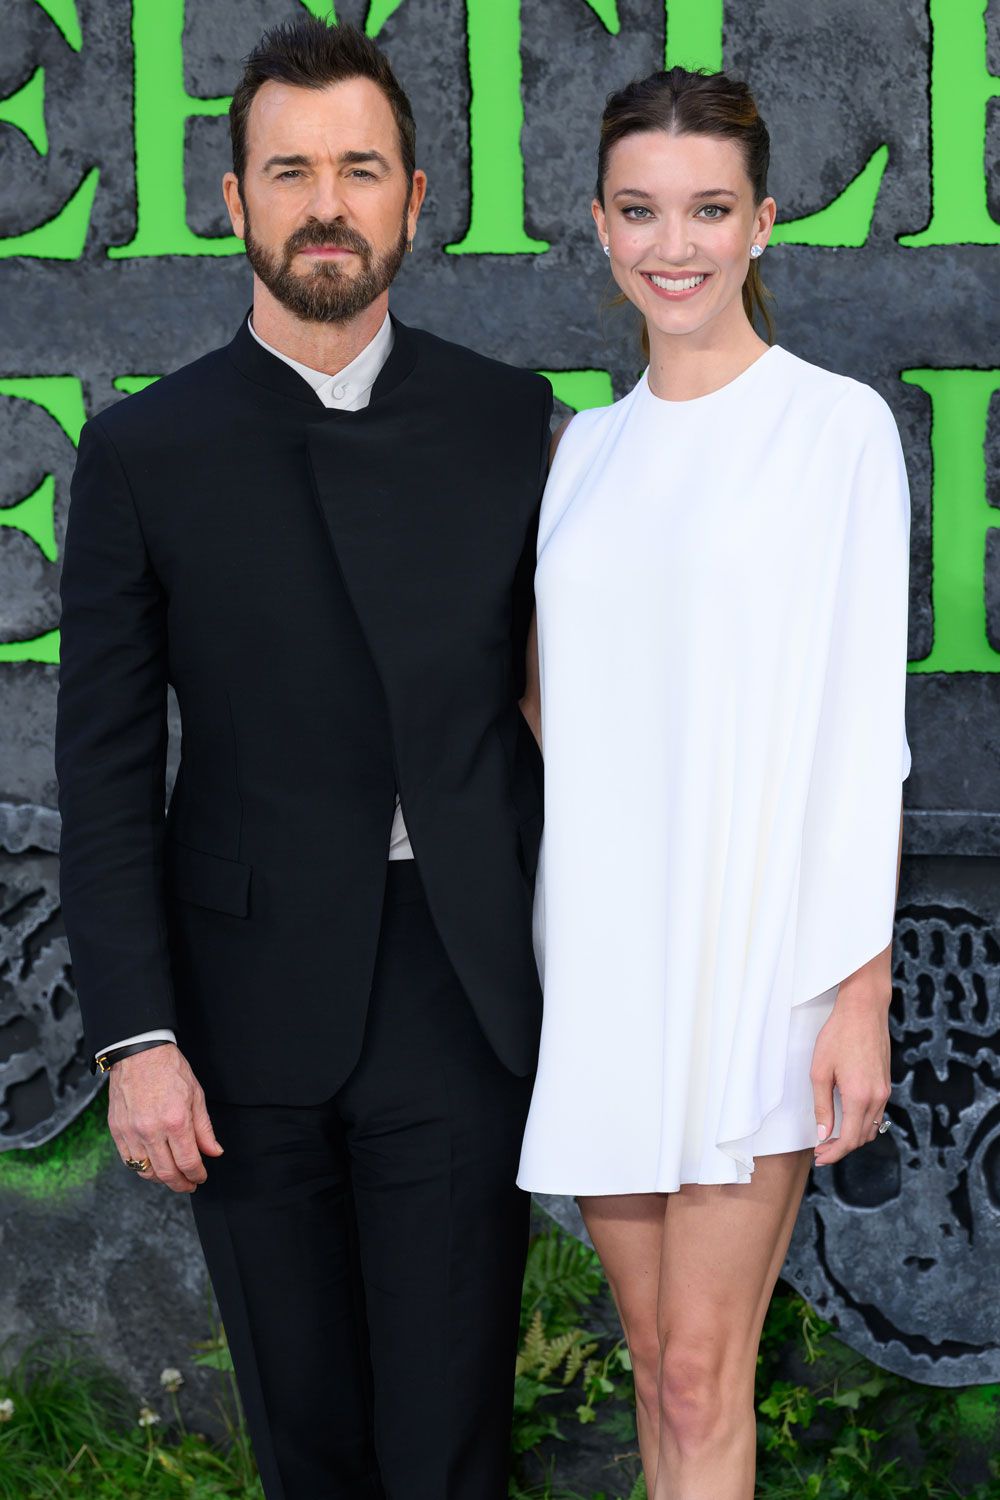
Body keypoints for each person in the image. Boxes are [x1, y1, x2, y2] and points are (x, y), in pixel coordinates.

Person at [55, 19, 551, 1499]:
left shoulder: (511, 422)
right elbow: (103, 769)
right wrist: (136, 1036)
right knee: (306, 1440)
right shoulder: (148, 450)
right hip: (239, 1007)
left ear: (414, 197)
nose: (324, 202)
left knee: (452, 1435)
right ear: (233, 200)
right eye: (289, 170)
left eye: (358, 168)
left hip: (460, 992)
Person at [516, 68, 910, 1500]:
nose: (669, 245)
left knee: (700, 1365)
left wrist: (856, 995)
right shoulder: (579, 456)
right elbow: (554, 705)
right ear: (602, 230)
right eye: (639, 211)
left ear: (763, 224)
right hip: (609, 959)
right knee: (645, 1353)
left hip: (760, 961)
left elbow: (863, 724)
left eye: (705, 210)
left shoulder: (835, 431)